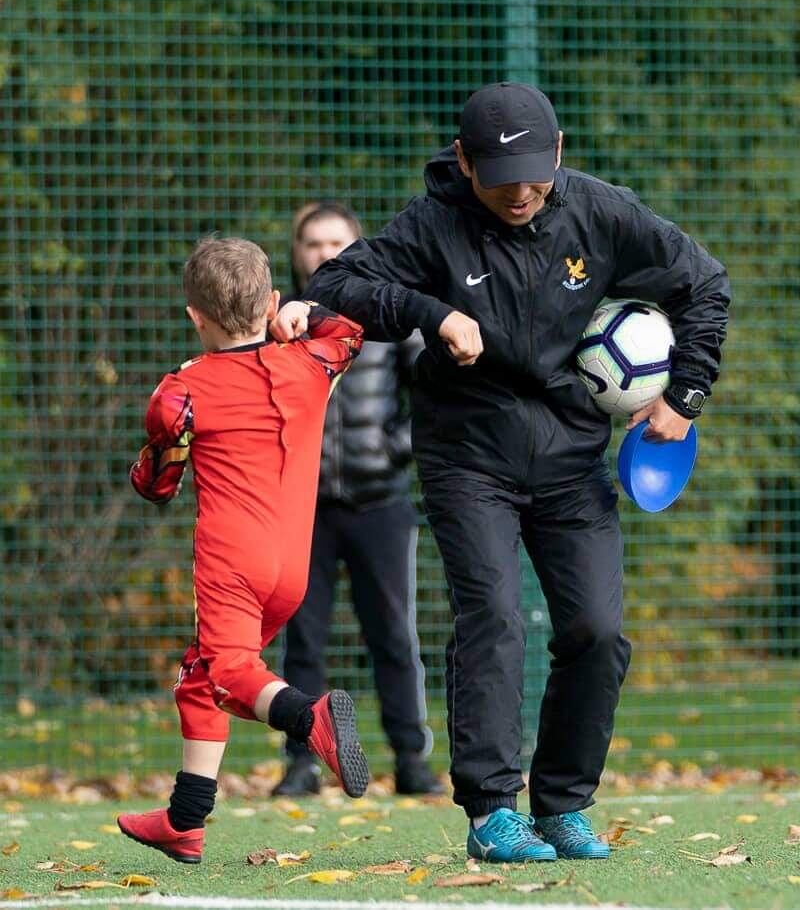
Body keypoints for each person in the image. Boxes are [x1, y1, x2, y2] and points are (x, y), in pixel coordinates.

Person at [306, 82, 730, 862]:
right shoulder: (432, 224)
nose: (522, 192)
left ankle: (563, 804)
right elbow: (332, 284)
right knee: (494, 618)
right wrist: (431, 315)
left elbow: (704, 283)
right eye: (502, 177)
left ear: (559, 153)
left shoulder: (599, 212)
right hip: (469, 456)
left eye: (536, 173)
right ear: (464, 162)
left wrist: (687, 394)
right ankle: (491, 811)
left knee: (597, 632)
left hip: (572, 460)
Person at [116, 236, 366, 864]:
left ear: (193, 315)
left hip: (232, 563)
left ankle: (312, 720)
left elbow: (158, 486)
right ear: (272, 302)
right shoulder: (312, 363)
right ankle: (185, 820)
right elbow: (349, 330)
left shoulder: (181, 392)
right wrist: (303, 315)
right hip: (292, 566)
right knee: (201, 677)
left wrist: (142, 466)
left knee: (229, 672)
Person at [272, 202, 442, 797]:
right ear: (298, 254)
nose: (323, 253)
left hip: (382, 503)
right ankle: (301, 762)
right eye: (312, 243)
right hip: (303, 511)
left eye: (335, 242)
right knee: (303, 639)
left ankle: (411, 760)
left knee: (394, 635)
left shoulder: (391, 315)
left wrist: (394, 448)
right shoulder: (279, 324)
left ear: (356, 246)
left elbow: (432, 393)